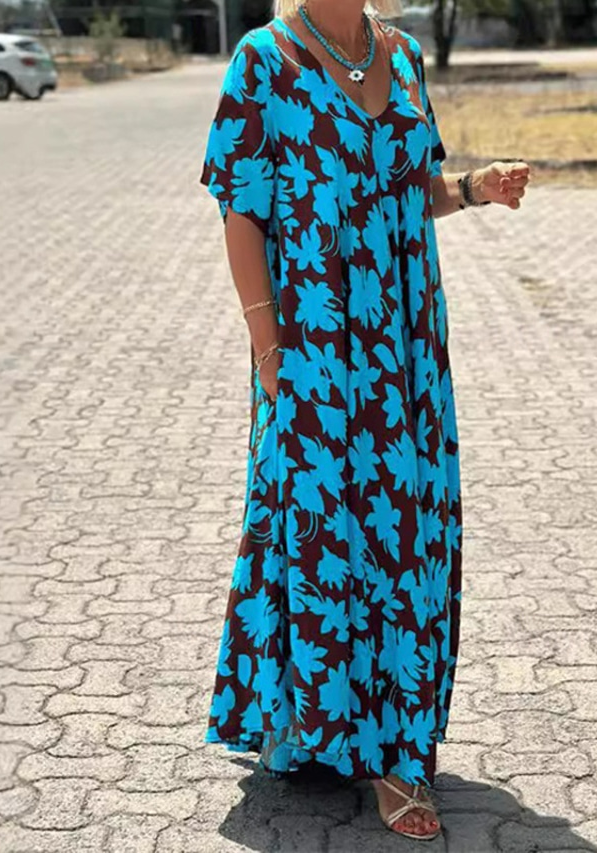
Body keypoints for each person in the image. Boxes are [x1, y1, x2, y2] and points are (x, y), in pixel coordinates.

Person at [198, 0, 530, 842]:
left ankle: (391, 746)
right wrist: (269, 351)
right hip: (315, 346)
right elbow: (241, 211)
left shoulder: (404, 54)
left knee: (406, 534)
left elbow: (410, 190)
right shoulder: (264, 61)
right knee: (320, 529)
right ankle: (331, 727)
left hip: (408, 351)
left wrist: (474, 189)